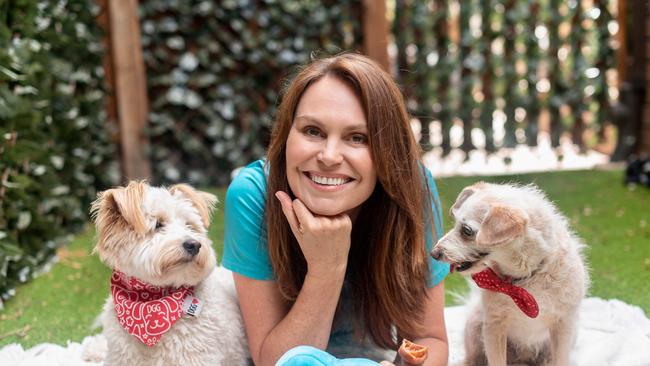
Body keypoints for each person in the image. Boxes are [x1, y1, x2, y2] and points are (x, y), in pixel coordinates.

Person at [222, 53, 450, 366]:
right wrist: (327, 268)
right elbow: (274, 361)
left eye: (357, 138)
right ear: (287, 134)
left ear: (387, 152)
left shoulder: (413, 189)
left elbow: (430, 338)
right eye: (312, 131)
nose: (329, 156)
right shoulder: (255, 195)